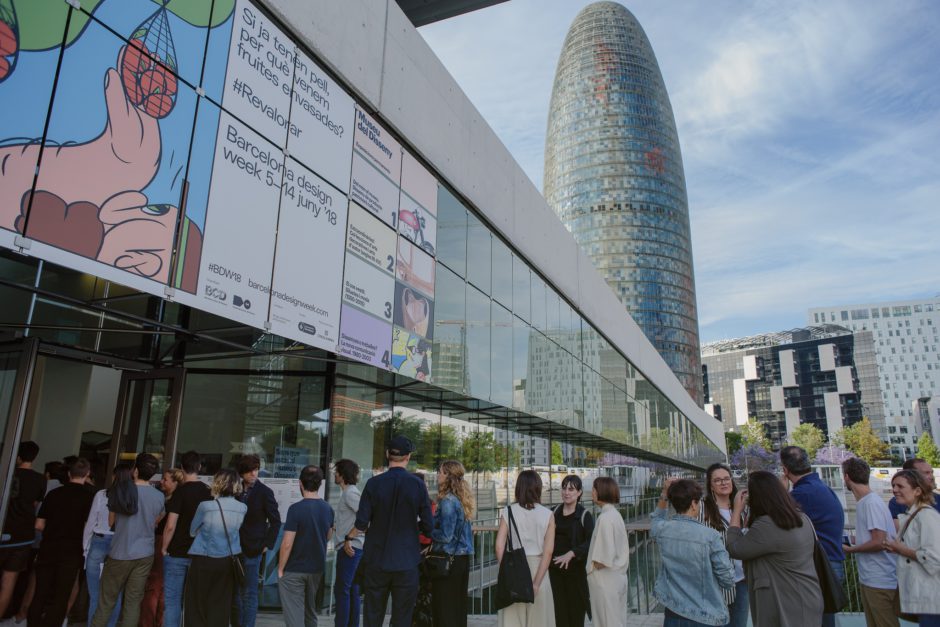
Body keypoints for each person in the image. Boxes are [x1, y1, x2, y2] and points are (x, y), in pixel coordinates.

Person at [347, 436, 433, 627]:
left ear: (387, 455)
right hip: (407, 560)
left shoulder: (373, 484)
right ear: (408, 457)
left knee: (372, 615)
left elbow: (361, 522)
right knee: (402, 617)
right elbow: (428, 526)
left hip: (376, 560)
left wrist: (348, 537)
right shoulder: (417, 485)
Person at [726, 470, 823, 627]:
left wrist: (737, 510)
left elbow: (735, 548)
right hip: (806, 596)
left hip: (785, 603)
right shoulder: (800, 517)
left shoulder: (767, 525)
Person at [91, 453, 165, 627]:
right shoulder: (159, 496)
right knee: (133, 602)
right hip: (145, 554)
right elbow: (156, 521)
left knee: (106, 602)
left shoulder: (121, 490)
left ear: (135, 470)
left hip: (120, 552)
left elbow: (111, 522)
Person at [651, 478, 733, 626]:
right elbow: (727, 578)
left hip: (673, 612)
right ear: (694, 504)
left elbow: (656, 518)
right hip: (705, 615)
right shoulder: (710, 536)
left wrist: (664, 492)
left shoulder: (662, 530)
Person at [779, 445, 844, 627]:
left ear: (785, 469)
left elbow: (779, 524)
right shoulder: (821, 487)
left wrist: (782, 493)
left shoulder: (802, 494)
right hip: (830, 562)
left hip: (820, 567)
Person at [27, 457, 95, 627]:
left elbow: (39, 524)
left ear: (69, 473)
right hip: (72, 552)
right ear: (87, 474)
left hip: (48, 548)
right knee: (61, 596)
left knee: (40, 594)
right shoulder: (89, 497)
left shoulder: (54, 493)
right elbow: (88, 529)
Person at [842, 457, 900, 627]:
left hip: (879, 579)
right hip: (871, 578)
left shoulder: (870, 503)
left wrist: (851, 550)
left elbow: (879, 541)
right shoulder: (866, 502)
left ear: (847, 477)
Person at [186, 468, 247, 627]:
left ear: (217, 483)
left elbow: (192, 531)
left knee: (197, 604)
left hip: (203, 558)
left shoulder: (205, 506)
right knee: (221, 604)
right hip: (227, 560)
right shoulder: (242, 508)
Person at [495, 469, 555, 627]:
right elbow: (548, 552)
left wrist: (507, 570)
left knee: (512, 620)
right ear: (538, 488)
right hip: (539, 569)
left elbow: (499, 546)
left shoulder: (508, 511)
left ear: (518, 487)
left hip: (514, 568)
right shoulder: (548, 514)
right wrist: (536, 583)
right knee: (539, 620)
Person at [277, 466, 334, 627]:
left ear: (300, 483)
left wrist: (281, 569)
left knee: (294, 615)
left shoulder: (295, 509)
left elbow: (287, 543)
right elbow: (328, 535)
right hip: (316, 568)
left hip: (295, 568)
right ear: (320, 484)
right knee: (310, 612)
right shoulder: (328, 509)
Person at [161, 451, 211, 627]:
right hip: (199, 554)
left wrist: (164, 548)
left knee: (172, 601)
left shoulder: (180, 492)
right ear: (199, 468)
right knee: (195, 602)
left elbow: (170, 525)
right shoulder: (208, 492)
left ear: (182, 468)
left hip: (176, 553)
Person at [883, 469, 940, 626]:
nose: (895, 490)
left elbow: (934, 558)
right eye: (893, 485)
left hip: (932, 598)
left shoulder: (926, 516)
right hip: (926, 598)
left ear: (917, 491)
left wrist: (900, 549)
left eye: (900, 486)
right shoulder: (915, 514)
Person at [698, 463, 748, 627]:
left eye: (726, 478)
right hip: (715, 581)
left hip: (741, 579)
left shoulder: (743, 507)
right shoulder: (702, 508)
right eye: (718, 480)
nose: (724, 483)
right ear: (711, 485)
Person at [233, 455, 281, 627]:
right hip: (233, 547)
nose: (254, 473)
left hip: (254, 548)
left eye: (256, 469)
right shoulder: (234, 489)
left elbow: (276, 521)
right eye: (250, 470)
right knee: (235, 592)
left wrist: (267, 545)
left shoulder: (265, 492)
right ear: (242, 472)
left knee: (250, 593)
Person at [0, 442, 44, 621]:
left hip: (5, 528)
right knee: (9, 581)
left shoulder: (6, 473)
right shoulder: (40, 479)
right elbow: (35, 505)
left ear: (18, 456)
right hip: (23, 536)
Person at [430, 460, 475, 627]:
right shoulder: (461, 499)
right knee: (457, 606)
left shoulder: (448, 501)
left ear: (447, 476)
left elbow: (446, 536)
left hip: (448, 560)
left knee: (444, 607)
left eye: (440, 472)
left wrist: (428, 531)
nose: (437, 475)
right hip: (462, 560)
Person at [83, 464, 128, 627]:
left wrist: (84, 547)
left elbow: (90, 522)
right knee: (115, 594)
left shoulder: (102, 494)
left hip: (99, 541)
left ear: (114, 477)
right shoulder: (130, 498)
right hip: (119, 544)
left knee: (95, 595)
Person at [549, 474, 594, 627]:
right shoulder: (553, 512)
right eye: (564, 488)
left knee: (575, 617)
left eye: (571, 489)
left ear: (579, 492)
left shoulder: (585, 515)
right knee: (559, 617)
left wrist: (572, 553)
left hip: (575, 574)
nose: (566, 492)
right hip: (555, 573)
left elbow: (591, 542)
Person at [139, 468, 183, 626]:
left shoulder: (171, 503)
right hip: (168, 546)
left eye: (165, 479)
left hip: (160, 543)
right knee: (163, 586)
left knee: (154, 585)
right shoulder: (169, 499)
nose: (161, 482)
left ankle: (148, 622)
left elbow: (158, 524)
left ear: (175, 482)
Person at [586, 476, 629, 627]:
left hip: (605, 581)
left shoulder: (604, 518)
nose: (592, 492)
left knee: (605, 621)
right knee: (616, 620)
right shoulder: (615, 515)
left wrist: (591, 568)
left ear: (600, 492)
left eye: (594, 489)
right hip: (617, 577)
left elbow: (602, 559)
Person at [333, 459, 363, 627]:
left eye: (336, 471)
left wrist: (349, 538)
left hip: (351, 548)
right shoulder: (348, 492)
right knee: (351, 590)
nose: (334, 474)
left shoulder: (350, 493)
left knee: (342, 590)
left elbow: (365, 518)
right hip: (353, 547)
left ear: (342, 474)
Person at [888, 459, 940, 529]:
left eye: (931, 472)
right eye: (926, 473)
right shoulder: (897, 502)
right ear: (912, 476)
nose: (932, 477)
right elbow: (900, 532)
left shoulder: (938, 499)